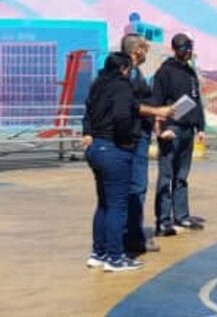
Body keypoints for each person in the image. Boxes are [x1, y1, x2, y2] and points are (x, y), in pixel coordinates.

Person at [82, 53, 173, 272]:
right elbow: (123, 115)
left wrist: (88, 133)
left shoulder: (98, 85)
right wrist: (127, 142)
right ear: (124, 69)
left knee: (104, 203)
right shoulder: (122, 86)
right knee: (117, 205)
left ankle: (98, 253)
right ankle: (115, 257)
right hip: (114, 149)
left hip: (96, 148)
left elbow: (88, 114)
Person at [152, 33, 206, 237]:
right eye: (184, 47)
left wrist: (200, 127)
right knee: (166, 176)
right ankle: (163, 220)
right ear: (175, 49)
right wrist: (161, 129)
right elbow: (156, 102)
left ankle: (182, 216)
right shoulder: (165, 72)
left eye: (190, 47)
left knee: (182, 176)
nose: (188, 51)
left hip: (188, 130)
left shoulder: (190, 72)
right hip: (171, 129)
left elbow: (196, 100)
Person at [121, 35, 159, 256]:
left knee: (134, 187)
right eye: (144, 48)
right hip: (135, 137)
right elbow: (133, 105)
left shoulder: (133, 73)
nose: (146, 53)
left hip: (138, 135)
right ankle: (133, 237)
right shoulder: (129, 74)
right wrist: (157, 111)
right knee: (136, 187)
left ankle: (132, 232)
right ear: (137, 51)